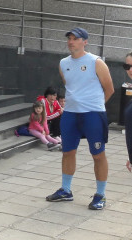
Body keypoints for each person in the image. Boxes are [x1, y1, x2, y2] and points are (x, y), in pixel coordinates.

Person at [46, 27, 114, 210]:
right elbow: (70, 86)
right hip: (70, 114)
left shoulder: (96, 62)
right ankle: (66, 190)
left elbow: (109, 89)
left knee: (98, 155)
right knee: (68, 152)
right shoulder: (63, 63)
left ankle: (100, 194)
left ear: (85, 41)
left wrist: (96, 106)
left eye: (75, 38)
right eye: (69, 38)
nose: (71, 42)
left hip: (93, 114)